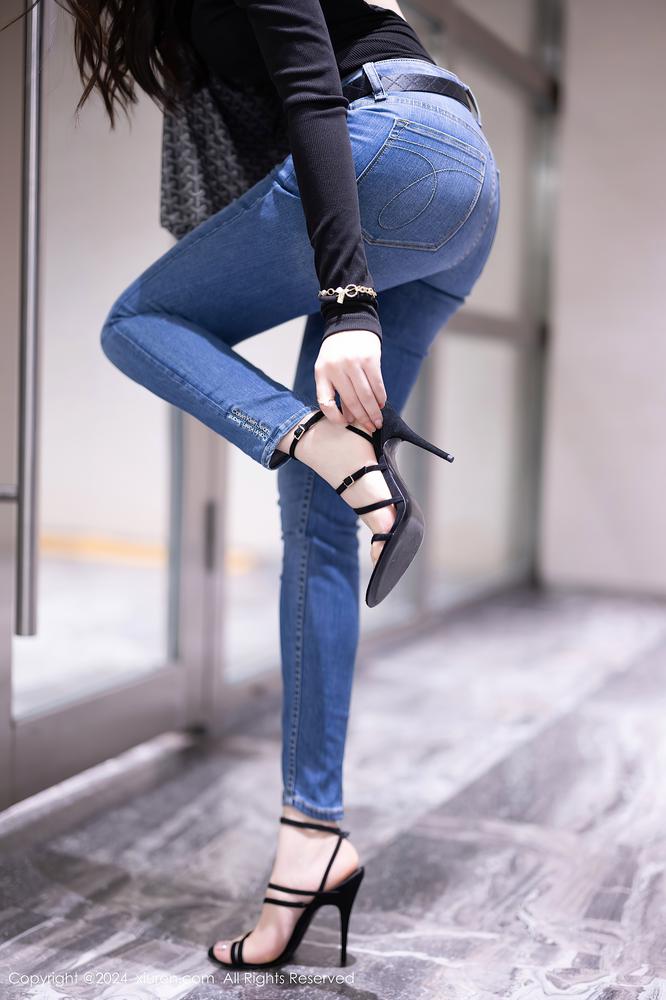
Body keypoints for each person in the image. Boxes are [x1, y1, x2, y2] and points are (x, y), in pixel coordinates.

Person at [5, 0, 499, 969]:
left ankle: (323, 447)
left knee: (139, 322)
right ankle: (312, 842)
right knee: (321, 517)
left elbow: (313, 88)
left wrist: (348, 302)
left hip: (391, 145)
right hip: (462, 183)